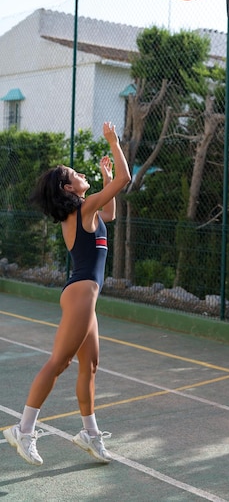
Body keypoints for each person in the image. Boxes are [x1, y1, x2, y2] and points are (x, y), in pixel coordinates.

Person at [3, 121, 131, 466]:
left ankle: (89, 434)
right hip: (80, 294)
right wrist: (114, 143)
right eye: (75, 174)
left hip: (85, 296)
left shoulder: (87, 210)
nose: (81, 174)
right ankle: (23, 430)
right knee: (58, 362)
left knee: (89, 366)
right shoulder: (79, 210)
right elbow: (126, 181)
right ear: (67, 187)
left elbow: (110, 211)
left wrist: (105, 179)